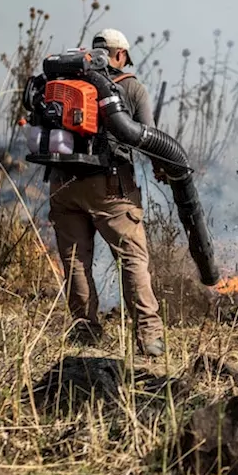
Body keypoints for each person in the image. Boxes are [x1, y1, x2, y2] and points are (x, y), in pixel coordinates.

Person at [46, 28, 166, 357]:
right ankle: (149, 336)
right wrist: (165, 166)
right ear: (121, 54)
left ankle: (85, 333)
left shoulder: (61, 83)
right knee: (132, 258)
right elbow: (147, 138)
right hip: (111, 187)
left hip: (62, 184)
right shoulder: (130, 86)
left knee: (74, 262)